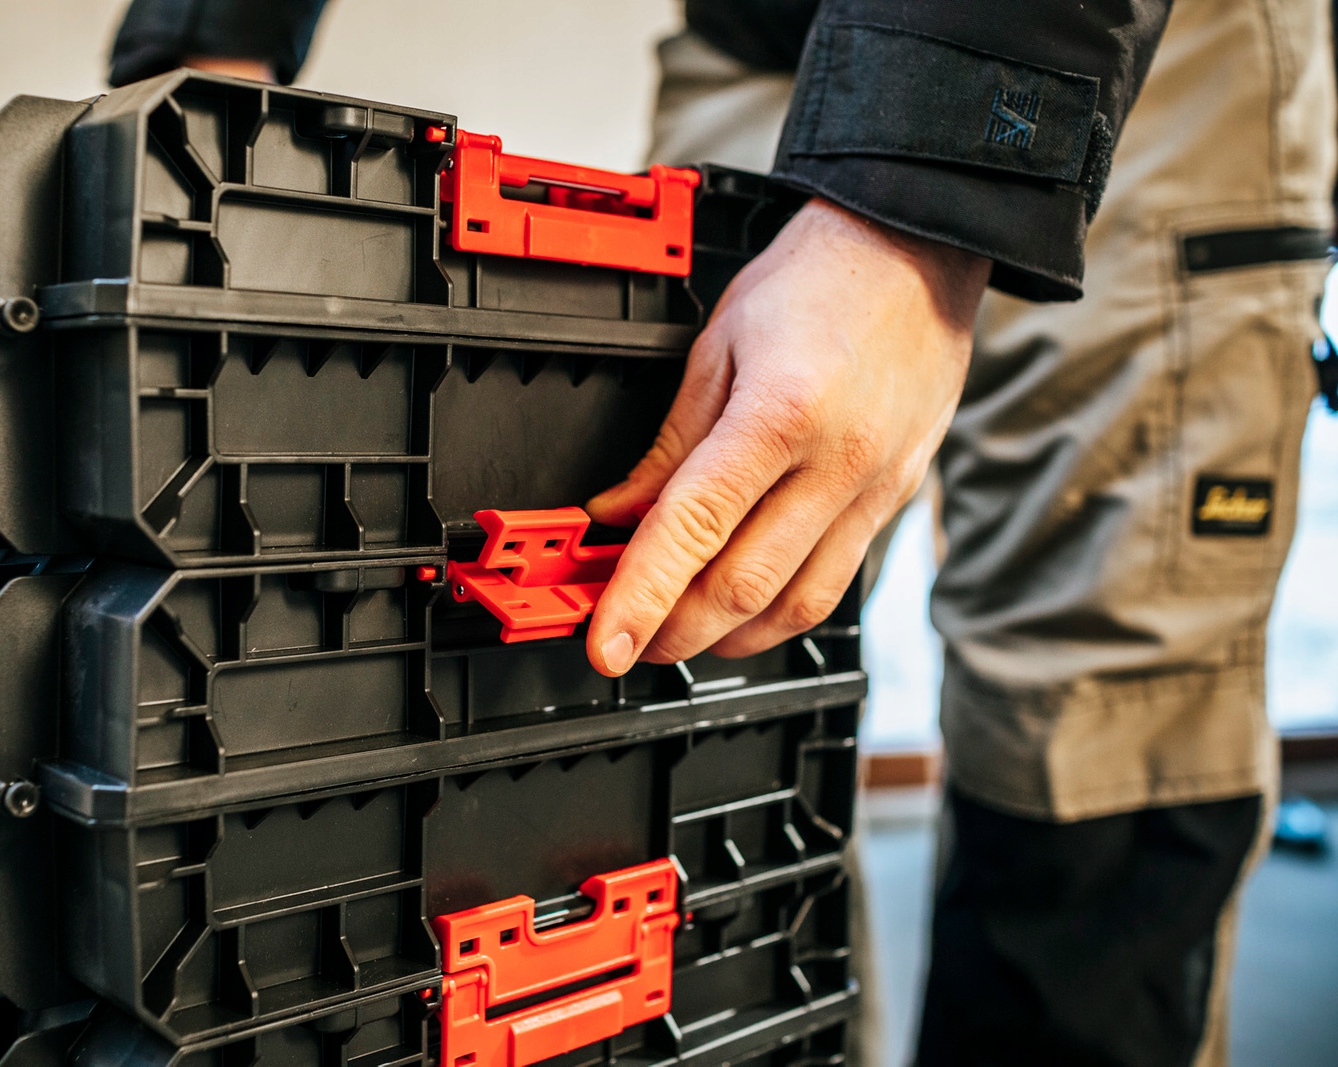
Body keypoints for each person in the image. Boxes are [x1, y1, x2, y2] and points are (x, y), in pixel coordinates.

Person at [109, 3, 1336, 1064]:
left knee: (1095, 720)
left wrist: (928, 200)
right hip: (762, 39)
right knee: (712, 709)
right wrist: (217, 33)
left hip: (1123, 63)